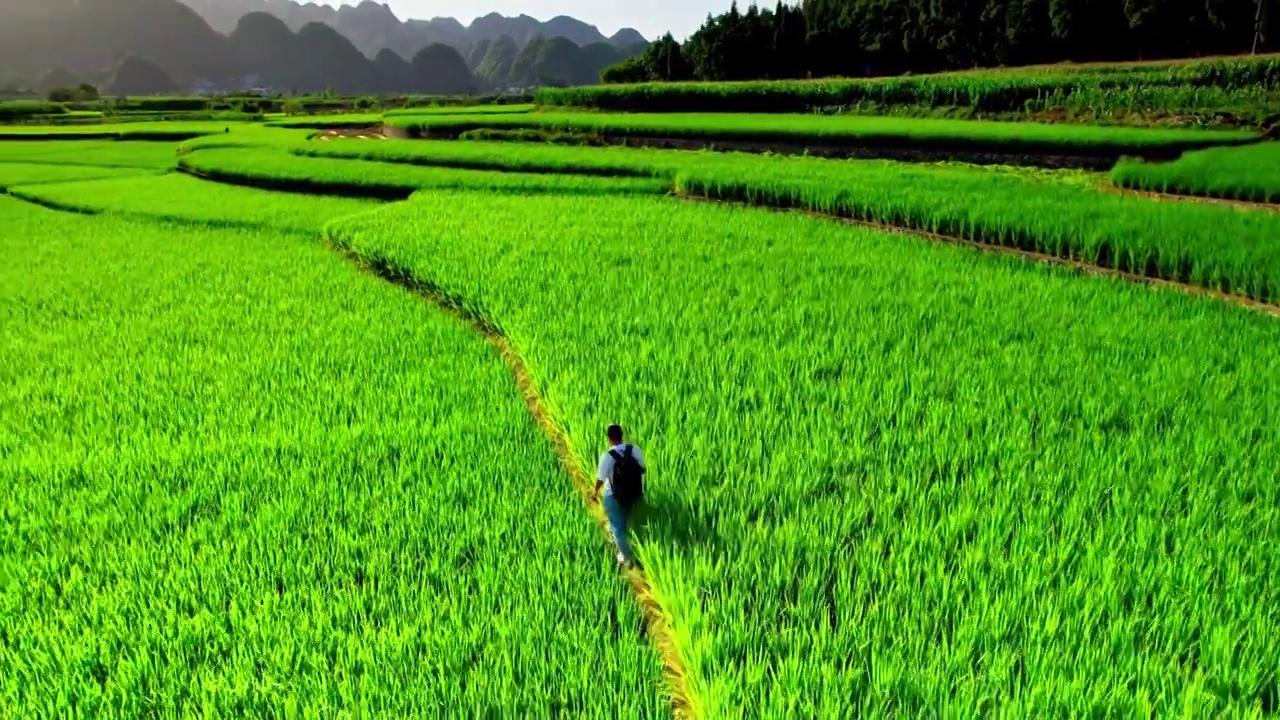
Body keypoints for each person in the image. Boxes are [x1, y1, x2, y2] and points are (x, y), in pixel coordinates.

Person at [593, 423, 646, 567]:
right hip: (636, 494)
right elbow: (642, 470)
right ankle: (642, 552)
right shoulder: (635, 449)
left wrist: (595, 492)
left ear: (609, 438)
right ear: (622, 435)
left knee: (617, 526)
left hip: (615, 496)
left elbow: (600, 479)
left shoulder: (608, 455)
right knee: (634, 524)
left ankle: (627, 557)